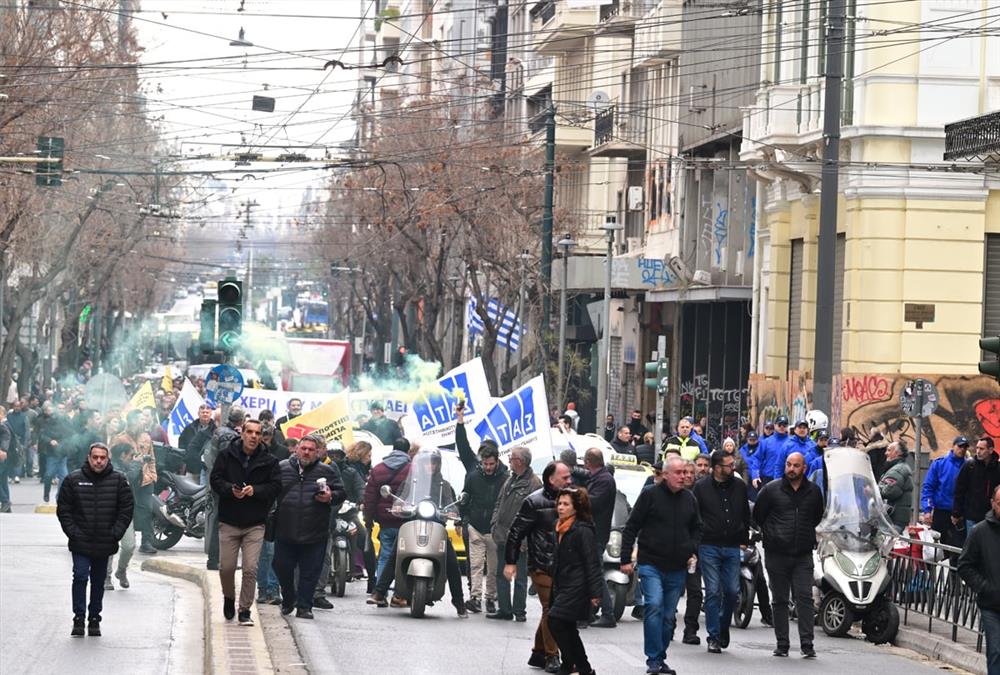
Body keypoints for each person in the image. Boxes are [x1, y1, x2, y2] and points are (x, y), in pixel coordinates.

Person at [620, 456, 702, 675]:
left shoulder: (689, 499)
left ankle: (661, 656)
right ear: (665, 475)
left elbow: (697, 528)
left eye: (685, 473)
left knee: (668, 617)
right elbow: (632, 526)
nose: (683, 477)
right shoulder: (650, 495)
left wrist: (691, 548)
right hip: (651, 563)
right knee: (654, 605)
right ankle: (653, 659)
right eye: (678, 473)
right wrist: (625, 558)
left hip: (677, 567)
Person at [370, 448, 469, 618]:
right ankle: (379, 592)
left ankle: (459, 602)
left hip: (437, 526)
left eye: (434, 462)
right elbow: (400, 498)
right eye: (427, 462)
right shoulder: (411, 483)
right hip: (412, 524)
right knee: (395, 553)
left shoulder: (444, 485)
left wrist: (452, 512)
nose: (430, 466)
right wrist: (399, 506)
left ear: (439, 464)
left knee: (451, 561)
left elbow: (451, 504)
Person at [56, 442, 134, 637]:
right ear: (89, 458)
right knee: (80, 576)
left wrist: (115, 533)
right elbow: (64, 510)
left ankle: (94, 619)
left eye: (102, 458)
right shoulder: (73, 480)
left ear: (108, 459)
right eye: (95, 457)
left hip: (105, 541)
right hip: (80, 542)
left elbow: (126, 510)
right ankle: (79, 618)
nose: (98, 461)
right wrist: (73, 532)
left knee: (98, 582)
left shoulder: (119, 481)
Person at [209, 418, 282, 627]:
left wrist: (255, 490)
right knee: (226, 567)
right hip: (229, 521)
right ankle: (229, 597)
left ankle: (244, 610)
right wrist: (230, 489)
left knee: (250, 568)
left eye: (257, 433)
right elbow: (215, 480)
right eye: (249, 432)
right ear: (242, 433)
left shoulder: (270, 460)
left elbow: (276, 486)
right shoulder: (226, 455)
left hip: (255, 523)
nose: (253, 437)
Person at [753, 452, 824, 658]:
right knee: (780, 599)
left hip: (802, 554)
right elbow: (759, 515)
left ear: (804, 468)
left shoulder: (813, 492)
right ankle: (782, 643)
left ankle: (807, 644)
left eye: (796, 466)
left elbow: (816, 516)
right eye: (788, 465)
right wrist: (773, 534)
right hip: (777, 553)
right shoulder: (771, 490)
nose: (791, 469)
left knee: (805, 598)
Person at [505, 461, 573, 673]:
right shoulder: (533, 502)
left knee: (550, 610)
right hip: (542, 565)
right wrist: (510, 562)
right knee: (551, 610)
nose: (569, 481)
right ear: (551, 479)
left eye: (570, 476)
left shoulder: (572, 501)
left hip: (564, 566)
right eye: (565, 477)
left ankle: (538, 652)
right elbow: (516, 533)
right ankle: (552, 656)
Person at [273, 433, 346, 619]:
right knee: (282, 567)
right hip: (285, 529)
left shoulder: (327, 471)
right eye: (303, 448)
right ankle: (289, 597)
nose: (306, 452)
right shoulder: (282, 468)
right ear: (297, 449)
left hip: (315, 531)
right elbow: (269, 490)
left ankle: (305, 606)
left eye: (311, 450)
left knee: (310, 572)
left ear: (318, 452)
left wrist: (330, 496)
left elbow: (340, 492)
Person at [693, 450, 750, 654]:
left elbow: (745, 512)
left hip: (733, 546)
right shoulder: (700, 487)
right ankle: (714, 636)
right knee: (714, 591)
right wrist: (695, 544)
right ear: (717, 468)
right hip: (709, 545)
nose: (732, 468)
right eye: (728, 465)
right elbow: (695, 516)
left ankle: (723, 626)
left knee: (732, 591)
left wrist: (744, 539)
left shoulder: (740, 486)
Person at [456, 407, 509, 614]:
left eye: (491, 464)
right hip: (475, 526)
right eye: (485, 463)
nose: (487, 467)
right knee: (476, 565)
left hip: (494, 530)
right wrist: (460, 421)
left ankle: (491, 599)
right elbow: (462, 446)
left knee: (494, 568)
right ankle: (475, 597)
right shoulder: (473, 470)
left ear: (497, 461)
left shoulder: (506, 477)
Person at [549, 487, 603, 675]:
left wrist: (596, 593)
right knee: (567, 627)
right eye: (559, 503)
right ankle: (581, 668)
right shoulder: (559, 526)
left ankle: (573, 665)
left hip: (578, 585)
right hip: (562, 583)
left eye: (566, 504)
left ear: (576, 508)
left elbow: (592, 561)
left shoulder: (582, 530)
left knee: (555, 621)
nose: (561, 507)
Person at [488, 446, 540, 622]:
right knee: (501, 573)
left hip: (520, 538)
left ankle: (519, 610)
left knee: (520, 576)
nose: (509, 461)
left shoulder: (534, 483)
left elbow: (535, 515)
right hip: (503, 535)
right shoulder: (510, 480)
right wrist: (494, 523)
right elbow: (499, 503)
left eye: (512, 458)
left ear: (520, 461)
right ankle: (504, 609)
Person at [957, 484, 1000, 675]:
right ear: (993, 503)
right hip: (991, 604)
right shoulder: (979, 532)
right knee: (996, 650)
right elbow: (965, 565)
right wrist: (985, 587)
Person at [363, 437, 412, 592]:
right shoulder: (413, 469)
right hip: (407, 521)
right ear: (407, 451)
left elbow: (370, 498)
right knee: (405, 556)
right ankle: (400, 593)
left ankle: (380, 591)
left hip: (385, 520)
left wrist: (368, 519)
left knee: (385, 554)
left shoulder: (378, 469)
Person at [202, 406, 244, 570]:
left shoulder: (223, 431)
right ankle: (216, 560)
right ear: (240, 420)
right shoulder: (228, 435)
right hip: (225, 485)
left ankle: (218, 560)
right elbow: (228, 462)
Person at [583, 448, 617, 628]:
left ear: (589, 462)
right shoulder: (598, 477)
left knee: (596, 572)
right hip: (593, 531)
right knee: (591, 571)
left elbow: (593, 502)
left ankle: (607, 612)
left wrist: (579, 495)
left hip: (597, 533)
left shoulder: (604, 480)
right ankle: (590, 611)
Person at [922, 436, 970, 548]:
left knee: (957, 548)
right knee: (935, 548)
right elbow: (928, 487)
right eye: (960, 446)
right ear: (953, 446)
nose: (962, 449)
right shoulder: (939, 464)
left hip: (960, 515)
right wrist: (927, 510)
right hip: (941, 512)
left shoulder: (969, 466)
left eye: (965, 447)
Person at [107, 443, 141, 590]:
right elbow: (125, 478)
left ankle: (121, 570)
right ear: (122, 455)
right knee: (109, 546)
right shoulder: (112, 468)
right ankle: (106, 576)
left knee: (129, 545)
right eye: (130, 456)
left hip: (125, 513)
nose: (132, 459)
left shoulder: (127, 466)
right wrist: (136, 465)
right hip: (109, 514)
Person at [953, 437, 1000, 533]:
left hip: (993, 517)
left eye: (982, 449)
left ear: (990, 450)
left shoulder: (997, 468)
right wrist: (956, 513)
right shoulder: (970, 466)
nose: (978, 451)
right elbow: (959, 490)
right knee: (973, 545)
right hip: (972, 516)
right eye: (977, 448)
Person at [37, 401, 73, 502]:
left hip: (63, 453)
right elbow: (42, 435)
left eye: (63, 409)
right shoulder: (49, 421)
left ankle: (59, 496)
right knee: (48, 475)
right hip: (52, 453)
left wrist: (64, 444)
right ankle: (46, 493)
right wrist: (50, 441)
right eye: (59, 409)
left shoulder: (68, 421)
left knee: (64, 476)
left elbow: (71, 436)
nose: (61, 411)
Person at [878, 440, 914, 532]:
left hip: (893, 520)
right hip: (894, 518)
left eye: (889, 450)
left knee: (883, 544)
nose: (886, 453)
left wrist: (872, 489)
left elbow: (889, 491)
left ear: (897, 453)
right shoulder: (897, 467)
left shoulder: (898, 469)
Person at [179, 403, 215, 481]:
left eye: (207, 412)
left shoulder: (215, 430)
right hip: (191, 468)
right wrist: (186, 457)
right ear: (198, 414)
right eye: (203, 412)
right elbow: (182, 444)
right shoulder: (189, 428)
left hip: (207, 470)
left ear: (211, 414)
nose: (205, 414)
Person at [754, 415, 790, 489]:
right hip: (768, 479)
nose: (782, 427)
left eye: (784, 425)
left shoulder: (791, 442)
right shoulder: (766, 442)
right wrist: (755, 475)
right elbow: (757, 458)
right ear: (775, 425)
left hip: (787, 478)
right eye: (780, 424)